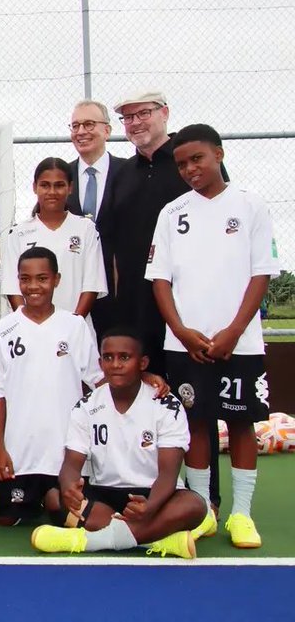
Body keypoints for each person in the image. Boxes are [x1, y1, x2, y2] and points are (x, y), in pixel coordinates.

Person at [146, 123, 279, 549]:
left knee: (240, 423)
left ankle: (241, 514)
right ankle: (203, 511)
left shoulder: (251, 206)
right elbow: (159, 279)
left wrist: (234, 331)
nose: (189, 169)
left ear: (219, 154)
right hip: (186, 343)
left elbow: (261, 274)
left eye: (197, 159)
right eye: (182, 162)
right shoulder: (171, 213)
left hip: (238, 342)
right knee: (196, 423)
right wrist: (181, 331)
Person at [102, 91, 228, 509]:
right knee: (147, 401)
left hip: (189, 312)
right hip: (138, 311)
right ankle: (149, 491)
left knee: (194, 404)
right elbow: (113, 244)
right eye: (127, 118)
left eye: (143, 114)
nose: (135, 123)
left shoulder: (192, 163)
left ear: (164, 114)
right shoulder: (120, 174)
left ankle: (204, 497)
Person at [30, 329, 206, 560]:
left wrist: (150, 508)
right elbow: (72, 464)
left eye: (124, 357)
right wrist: (69, 487)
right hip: (106, 494)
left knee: (195, 506)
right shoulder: (86, 406)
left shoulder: (167, 406)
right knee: (54, 498)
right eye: (108, 357)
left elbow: (168, 474)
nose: (116, 364)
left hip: (153, 496)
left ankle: (95, 541)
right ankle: (154, 539)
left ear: (142, 363)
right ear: (100, 362)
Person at [0, 248, 101, 526]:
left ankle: (52, 495)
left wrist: (145, 379)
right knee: (7, 519)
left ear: (56, 280)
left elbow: (99, 380)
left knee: (65, 510)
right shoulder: (4, 328)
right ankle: (37, 497)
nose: (34, 286)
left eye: (42, 278)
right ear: (18, 282)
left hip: (64, 453)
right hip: (20, 453)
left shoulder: (74, 326)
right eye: (25, 279)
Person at [0, 158, 106, 325]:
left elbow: (91, 285)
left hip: (74, 329)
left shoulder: (86, 229)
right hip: (30, 330)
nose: (52, 191)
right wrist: (30, 326)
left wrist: (73, 325)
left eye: (59, 185)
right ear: (34, 187)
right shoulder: (19, 233)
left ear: (70, 187)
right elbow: (12, 287)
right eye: (45, 185)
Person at [64, 100, 126, 337]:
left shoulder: (128, 173)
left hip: (118, 294)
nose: (81, 132)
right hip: (74, 293)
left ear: (107, 130)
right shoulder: (59, 178)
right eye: (75, 126)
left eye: (89, 124)